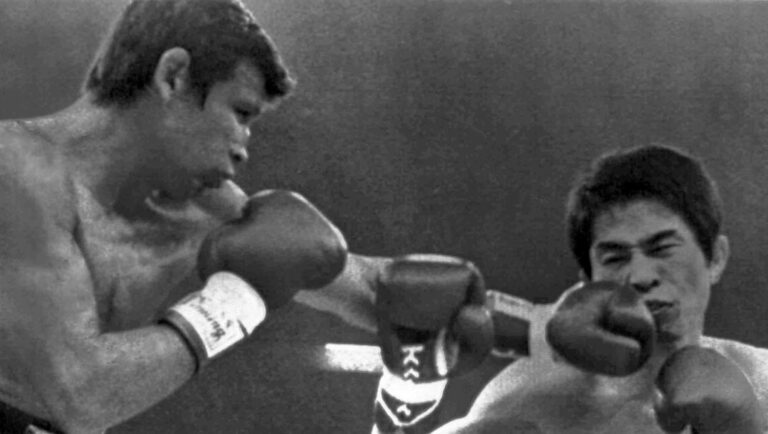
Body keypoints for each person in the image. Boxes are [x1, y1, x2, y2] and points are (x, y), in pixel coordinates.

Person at [0, 1, 498, 433]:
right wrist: (236, 302)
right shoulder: (15, 169)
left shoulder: (201, 203)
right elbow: (79, 396)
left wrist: (499, 321)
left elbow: (361, 284)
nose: (244, 147)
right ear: (172, 76)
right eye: (240, 113)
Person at [373, 145, 768, 433]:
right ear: (587, 278)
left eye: (661, 248)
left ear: (715, 258)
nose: (640, 275)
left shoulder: (763, 380)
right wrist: (407, 393)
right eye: (615, 257)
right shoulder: (530, 399)